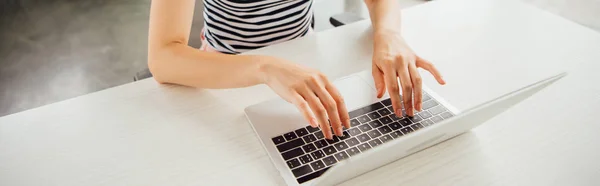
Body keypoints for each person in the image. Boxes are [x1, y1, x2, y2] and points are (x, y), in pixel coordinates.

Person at [147, 0, 446, 140]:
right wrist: (265, 67)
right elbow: (162, 57)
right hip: (227, 72)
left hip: (305, 66)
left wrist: (389, 34)